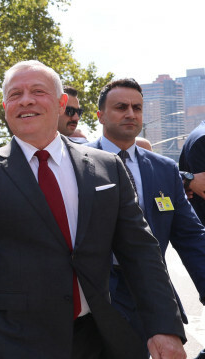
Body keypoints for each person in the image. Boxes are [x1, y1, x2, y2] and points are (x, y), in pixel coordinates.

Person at [0, 60, 186, 359]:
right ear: (5, 106)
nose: (26, 100)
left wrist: (164, 327)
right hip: (9, 341)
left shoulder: (107, 167)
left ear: (61, 102)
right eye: (15, 94)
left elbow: (141, 252)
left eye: (38, 91)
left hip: (96, 338)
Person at [87, 78, 205, 354]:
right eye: (121, 107)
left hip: (148, 296)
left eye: (137, 107)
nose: (131, 113)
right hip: (93, 298)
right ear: (100, 115)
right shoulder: (77, 162)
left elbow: (191, 237)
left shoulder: (164, 169)